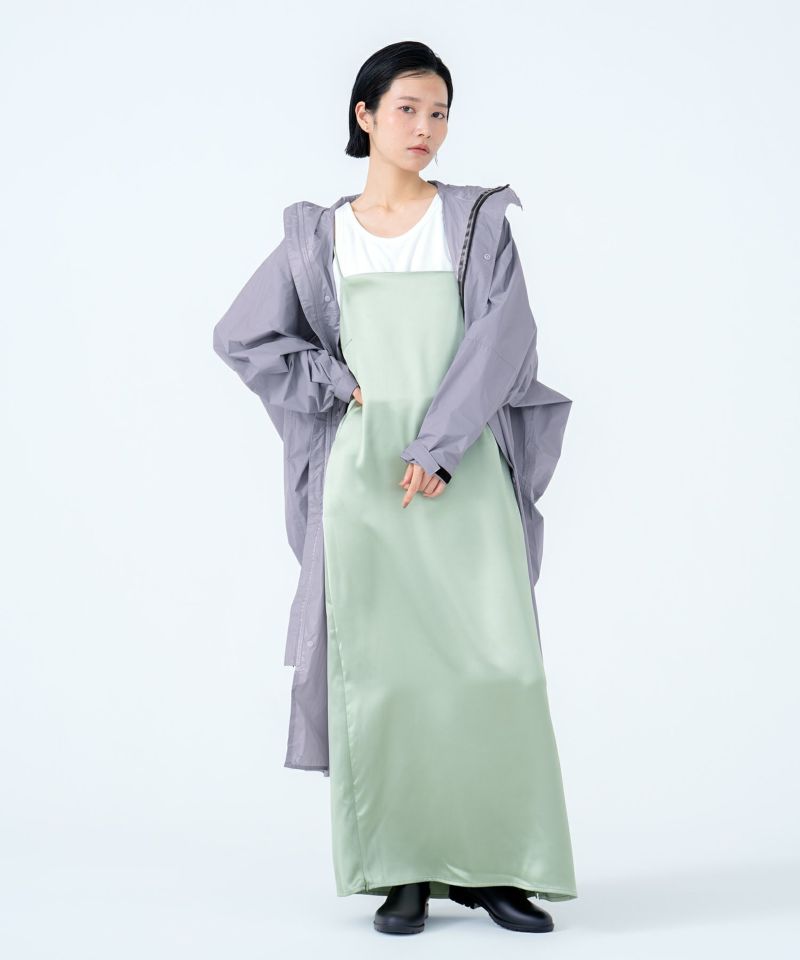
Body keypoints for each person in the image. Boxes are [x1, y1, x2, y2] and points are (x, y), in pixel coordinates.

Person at [214, 40, 577, 935]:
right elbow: (243, 336)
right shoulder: (319, 236)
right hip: (364, 483)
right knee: (384, 677)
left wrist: (440, 444)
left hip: (464, 468)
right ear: (365, 116)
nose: (426, 128)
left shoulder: (474, 221)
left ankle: (499, 865)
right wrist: (333, 382)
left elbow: (504, 338)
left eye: (440, 111)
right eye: (408, 108)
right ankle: (400, 869)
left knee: (497, 666)